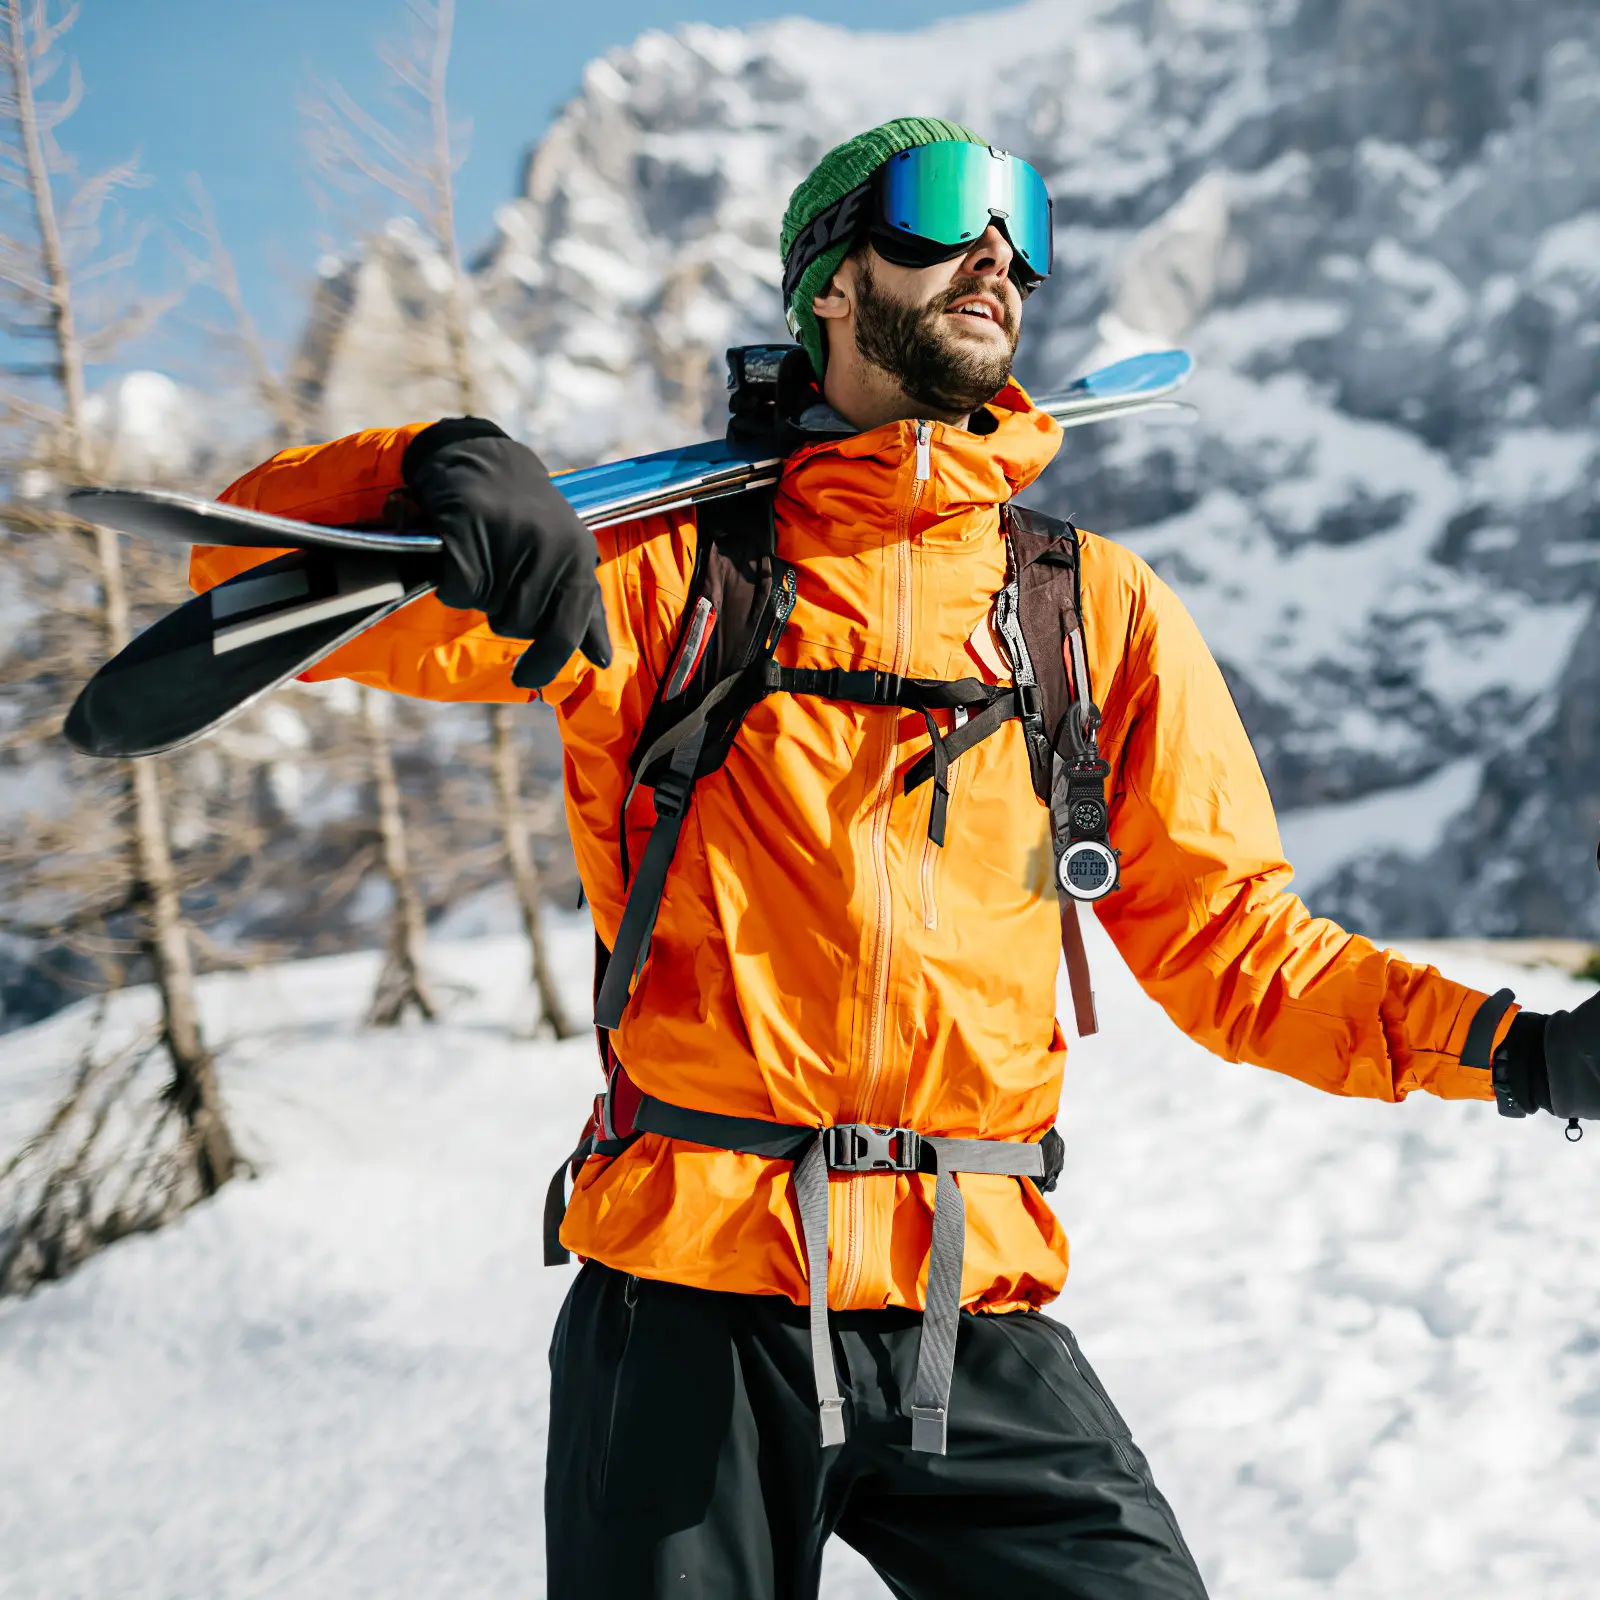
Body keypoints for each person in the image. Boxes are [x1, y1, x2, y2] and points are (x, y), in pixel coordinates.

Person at [193, 118, 1600, 1599]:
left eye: (1025, 223)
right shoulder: (665, 573)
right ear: (829, 283)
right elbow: (238, 573)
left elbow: (1240, 951)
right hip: (688, 1302)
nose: (996, 252)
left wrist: (1515, 1054)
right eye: (940, 214)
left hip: (967, 1300)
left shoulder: (1089, 611)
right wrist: (430, 469)